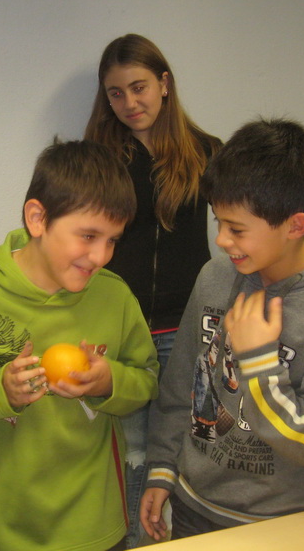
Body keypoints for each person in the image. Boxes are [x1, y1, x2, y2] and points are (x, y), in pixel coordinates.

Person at [0, 139, 160, 551]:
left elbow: (146, 380)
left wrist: (109, 381)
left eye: (112, 240)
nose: (100, 256)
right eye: (88, 235)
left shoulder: (114, 295)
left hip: (94, 522)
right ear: (37, 218)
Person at [140, 118, 304, 540]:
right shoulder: (214, 278)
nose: (222, 240)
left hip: (286, 521)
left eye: (237, 229)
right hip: (194, 506)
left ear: (295, 226)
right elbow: (181, 385)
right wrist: (162, 467)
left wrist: (259, 362)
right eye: (218, 222)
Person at [84, 33, 221, 547]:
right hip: (125, 334)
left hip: (191, 331)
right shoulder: (99, 159)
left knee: (193, 447)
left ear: (165, 83)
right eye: (115, 93)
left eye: (138, 87)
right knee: (136, 455)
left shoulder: (209, 153)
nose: (129, 103)